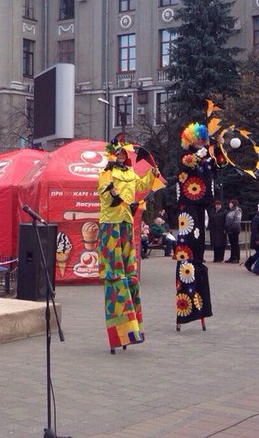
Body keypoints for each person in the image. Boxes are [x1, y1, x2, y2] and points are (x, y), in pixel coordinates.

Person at [97, 134, 158, 354]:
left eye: (124, 153)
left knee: (128, 266)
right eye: (119, 153)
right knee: (114, 270)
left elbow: (140, 185)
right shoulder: (106, 173)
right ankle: (116, 280)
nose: (122, 156)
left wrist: (152, 174)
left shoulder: (130, 172)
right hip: (111, 222)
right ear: (113, 154)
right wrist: (115, 196)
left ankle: (126, 278)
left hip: (126, 221)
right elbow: (103, 194)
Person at [174, 122, 228, 332]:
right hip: (188, 205)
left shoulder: (207, 156)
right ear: (189, 140)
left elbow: (221, 164)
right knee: (187, 250)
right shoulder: (184, 156)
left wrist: (220, 146)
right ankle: (184, 306)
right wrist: (200, 154)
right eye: (197, 139)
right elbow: (187, 163)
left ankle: (200, 304)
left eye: (203, 139)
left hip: (202, 205)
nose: (201, 142)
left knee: (198, 253)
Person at [245, 203, 259, 275]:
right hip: (257, 239)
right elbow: (254, 229)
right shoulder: (257, 218)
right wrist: (257, 239)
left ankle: (249, 263)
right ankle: (255, 266)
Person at [224, 199, 242, 263]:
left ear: (233, 204)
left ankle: (236, 258)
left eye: (230, 203)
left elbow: (237, 221)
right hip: (230, 229)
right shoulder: (230, 211)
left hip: (235, 229)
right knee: (232, 244)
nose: (229, 204)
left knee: (235, 243)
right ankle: (232, 257)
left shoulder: (237, 210)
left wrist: (231, 228)